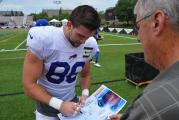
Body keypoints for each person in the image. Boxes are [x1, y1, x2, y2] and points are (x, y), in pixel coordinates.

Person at [23, 5, 100, 120]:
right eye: (80, 35)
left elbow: (85, 74)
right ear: (69, 25)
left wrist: (84, 94)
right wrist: (60, 105)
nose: (83, 42)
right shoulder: (45, 39)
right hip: (47, 106)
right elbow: (29, 85)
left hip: (72, 101)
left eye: (88, 37)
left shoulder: (90, 44)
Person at [110, 0, 179, 120]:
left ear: (157, 22)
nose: (138, 37)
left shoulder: (152, 105)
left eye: (138, 26)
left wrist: (138, 115)